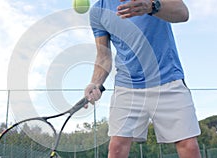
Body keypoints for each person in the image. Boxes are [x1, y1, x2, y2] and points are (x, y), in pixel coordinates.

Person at [84, 0, 201, 157]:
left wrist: (152, 6)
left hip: (168, 79)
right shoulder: (98, 10)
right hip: (127, 86)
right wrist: (95, 83)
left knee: (188, 146)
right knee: (117, 147)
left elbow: (183, 13)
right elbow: (103, 56)